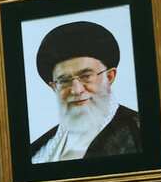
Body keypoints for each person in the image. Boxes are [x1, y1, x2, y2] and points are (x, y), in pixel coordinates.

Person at [29, 21, 142, 164]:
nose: (76, 90)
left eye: (86, 76)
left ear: (109, 77)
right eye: (64, 81)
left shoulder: (140, 133)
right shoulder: (39, 150)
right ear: (54, 87)